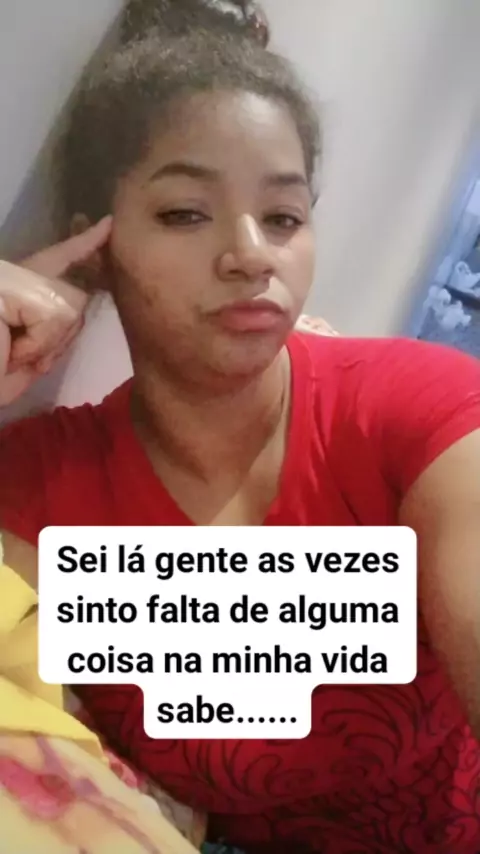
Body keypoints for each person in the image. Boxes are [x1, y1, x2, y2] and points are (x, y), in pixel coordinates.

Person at [0, 1, 479, 852]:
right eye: (186, 213)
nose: (252, 253)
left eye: (285, 217)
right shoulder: (40, 487)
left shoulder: (417, 410)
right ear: (96, 247)